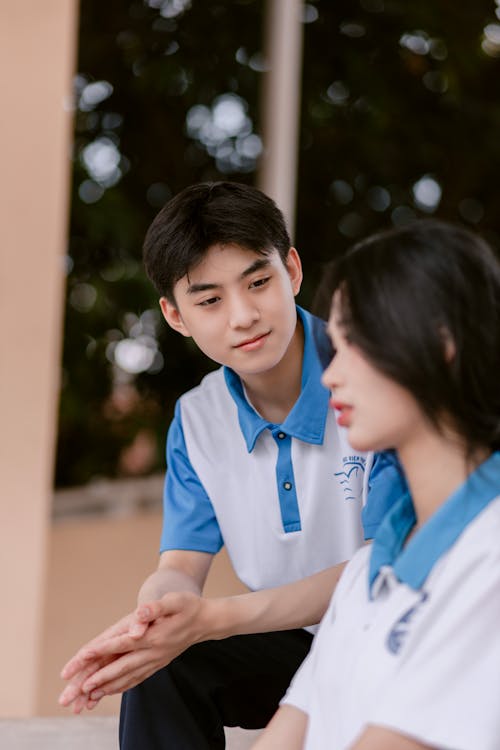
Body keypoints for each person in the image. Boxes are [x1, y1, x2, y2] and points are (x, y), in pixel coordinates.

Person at [58, 182, 403, 748]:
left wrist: (214, 618)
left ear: (291, 270)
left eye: (258, 282)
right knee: (163, 664)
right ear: (175, 314)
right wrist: (156, 619)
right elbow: (180, 566)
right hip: (294, 645)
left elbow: (381, 573)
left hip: (395, 639)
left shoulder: (379, 374)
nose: (243, 316)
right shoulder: (197, 419)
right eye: (210, 299)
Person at [252, 219, 500, 750]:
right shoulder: (368, 567)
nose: (329, 376)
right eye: (332, 348)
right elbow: (287, 734)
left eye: (355, 345)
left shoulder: (489, 553)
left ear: (440, 342)